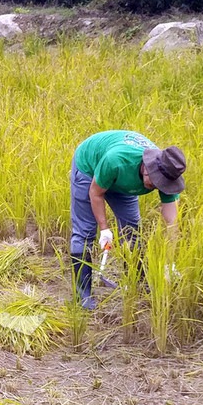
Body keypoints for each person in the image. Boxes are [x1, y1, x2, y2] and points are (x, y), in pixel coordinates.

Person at [69, 130, 186, 309]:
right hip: (89, 168)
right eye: (154, 181)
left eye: (160, 185)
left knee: (132, 232)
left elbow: (172, 224)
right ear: (148, 167)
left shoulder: (168, 171)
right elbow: (95, 192)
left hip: (122, 183)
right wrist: (104, 229)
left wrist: (170, 263)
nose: (155, 187)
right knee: (84, 233)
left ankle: (136, 286)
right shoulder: (117, 160)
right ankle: (83, 296)